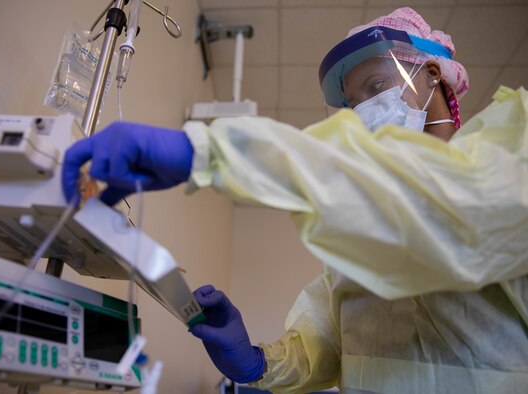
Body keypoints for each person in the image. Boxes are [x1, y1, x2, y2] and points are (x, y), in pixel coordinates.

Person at [62, 7, 528, 394]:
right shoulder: (361, 233)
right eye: (351, 103)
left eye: (377, 87)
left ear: (432, 75)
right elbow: (324, 345)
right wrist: (256, 363)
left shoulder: (510, 150)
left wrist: (208, 152)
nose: (362, 111)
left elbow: (448, 213)